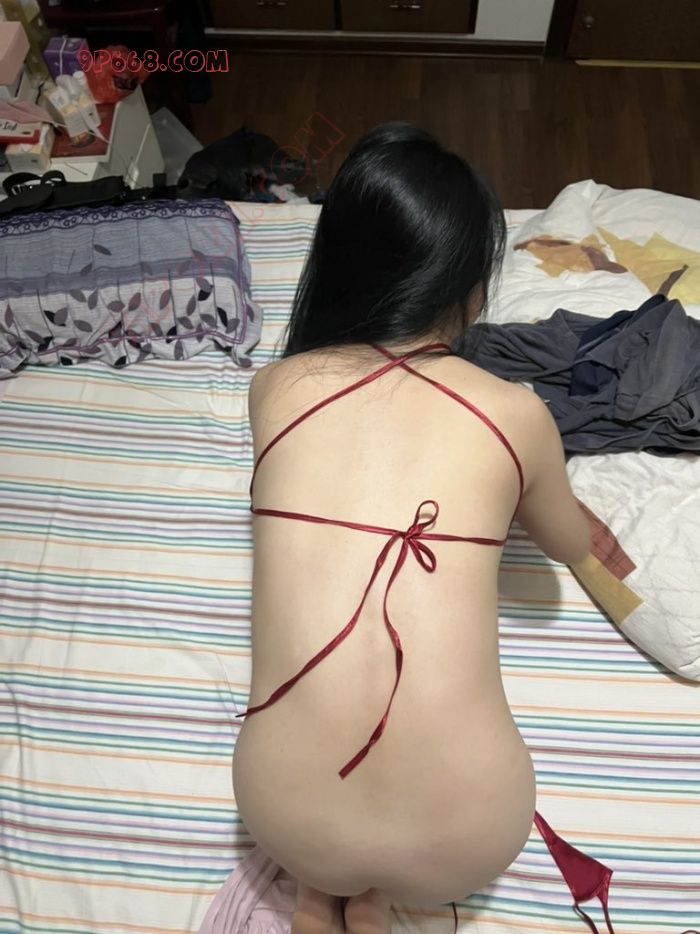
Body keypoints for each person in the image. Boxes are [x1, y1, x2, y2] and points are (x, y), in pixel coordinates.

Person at [231, 122, 592, 934]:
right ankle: (377, 901)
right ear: (468, 286)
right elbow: (570, 545)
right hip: (468, 837)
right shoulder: (515, 413)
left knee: (328, 842)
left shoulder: (272, 391)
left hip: (283, 817)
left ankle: (322, 890)